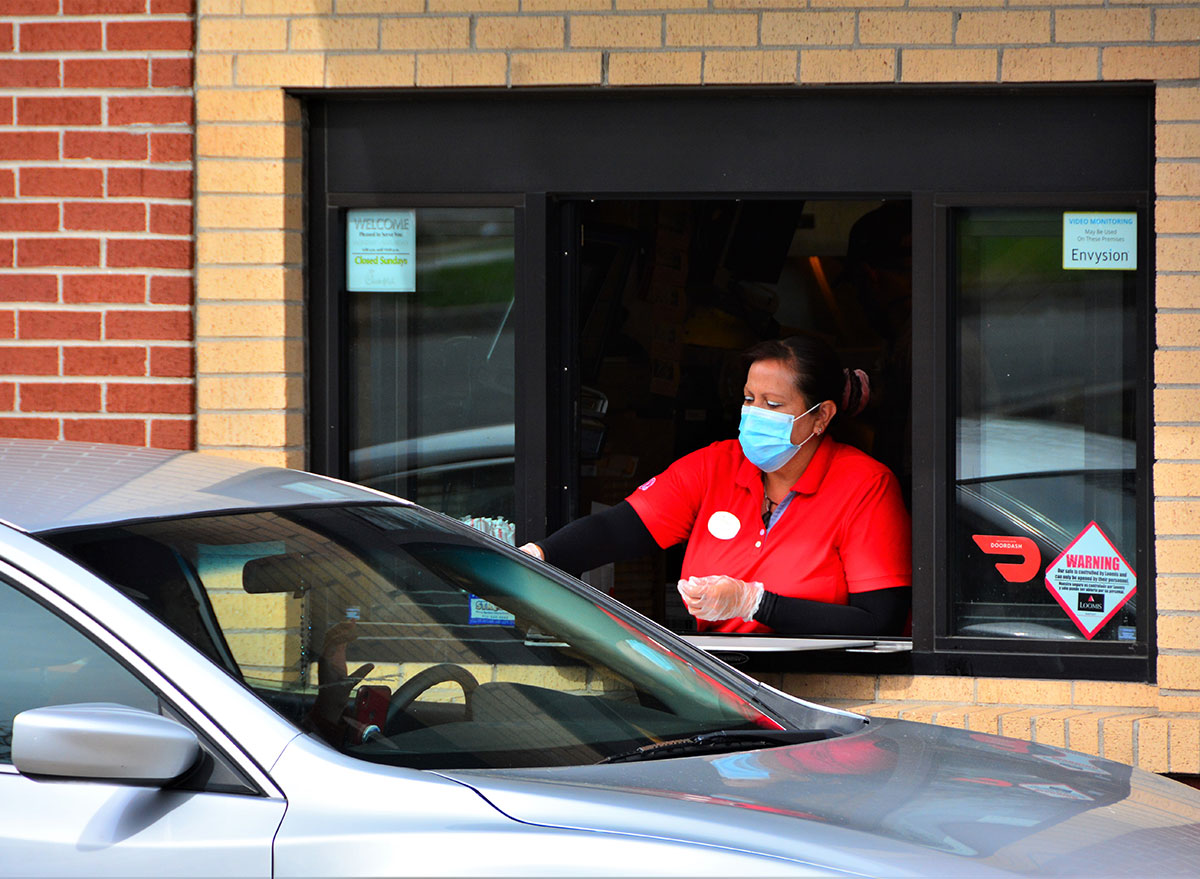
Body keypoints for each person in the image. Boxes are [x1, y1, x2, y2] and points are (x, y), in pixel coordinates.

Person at [520, 336, 911, 635]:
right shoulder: (718, 463)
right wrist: (539, 555)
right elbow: (618, 528)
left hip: (822, 685)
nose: (755, 414)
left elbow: (880, 620)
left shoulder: (866, 485)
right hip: (717, 678)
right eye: (748, 399)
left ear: (821, 416)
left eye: (773, 405)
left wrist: (755, 603)